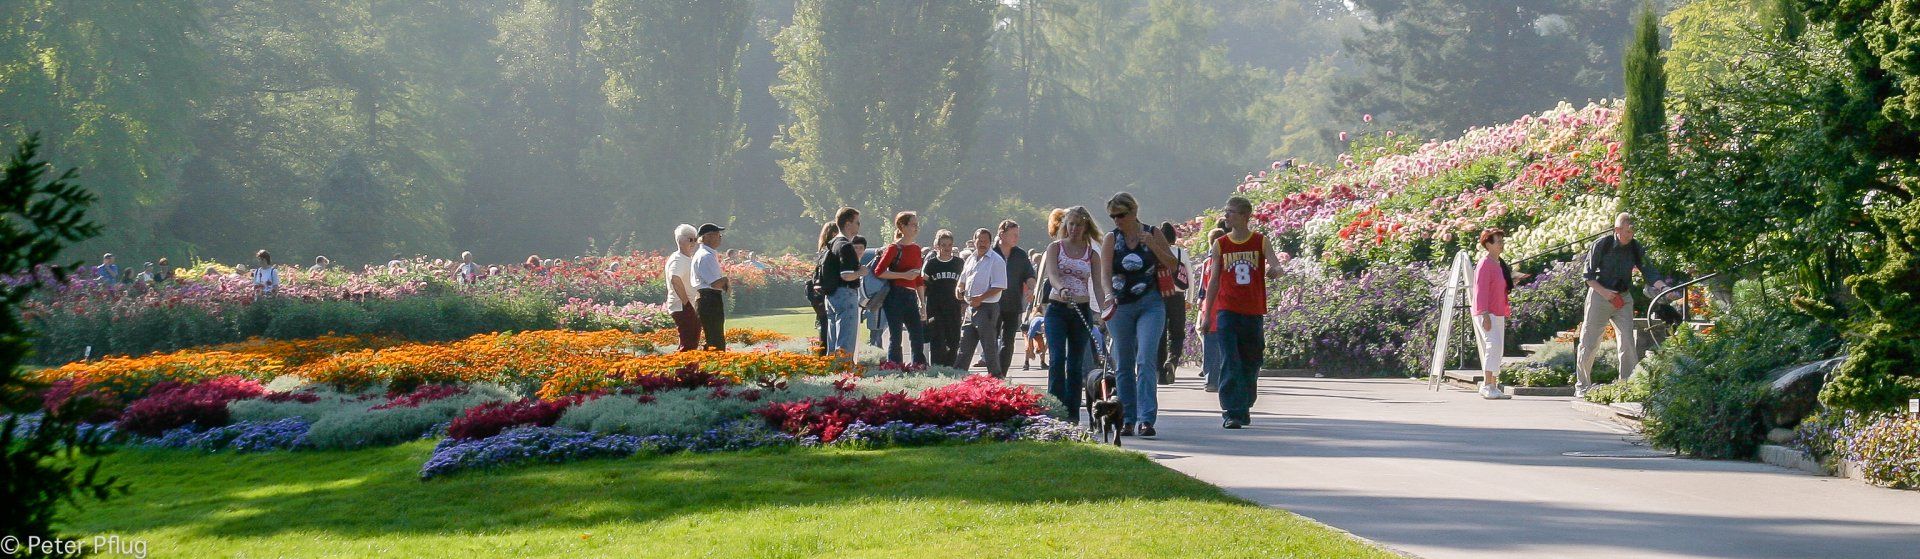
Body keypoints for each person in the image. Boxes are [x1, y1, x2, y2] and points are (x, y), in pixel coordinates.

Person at [1202, 197, 1282, 428]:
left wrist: (1275, 271)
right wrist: (1208, 314)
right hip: (1227, 311)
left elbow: (1276, 265)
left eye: (1232, 212)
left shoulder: (1260, 241)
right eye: (1226, 212)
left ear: (1245, 216)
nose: (1227, 216)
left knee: (1252, 360)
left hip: (1253, 311)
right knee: (1230, 361)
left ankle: (1244, 404)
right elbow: (1213, 281)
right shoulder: (1221, 245)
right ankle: (1231, 411)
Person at [1102, 192, 1177, 437]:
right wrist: (1108, 295)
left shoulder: (1153, 233)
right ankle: (1127, 418)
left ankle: (1147, 419)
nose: (1117, 220)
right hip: (1121, 304)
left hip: (1150, 303)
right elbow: (1104, 274)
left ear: (1134, 212)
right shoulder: (1111, 239)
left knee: (1145, 359)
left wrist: (1153, 246)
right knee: (1123, 363)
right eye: (1113, 216)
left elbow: (1173, 265)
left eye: (1121, 215)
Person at [1576, 212, 1665, 397]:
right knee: (1590, 342)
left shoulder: (1635, 247)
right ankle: (1582, 387)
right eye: (1627, 231)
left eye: (1632, 231)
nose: (1630, 234)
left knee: (1627, 341)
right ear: (1617, 230)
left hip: (1622, 298)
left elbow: (1649, 271)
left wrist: (1664, 287)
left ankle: (1626, 386)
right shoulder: (1602, 244)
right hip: (1600, 295)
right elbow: (1588, 277)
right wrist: (1605, 293)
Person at [1043, 207, 1107, 424]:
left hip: (1081, 310)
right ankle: (1054, 408)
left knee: (1075, 363)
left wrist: (1104, 310)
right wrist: (1061, 288)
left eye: (1079, 224)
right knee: (1057, 358)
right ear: (1064, 225)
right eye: (1070, 224)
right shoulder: (1055, 248)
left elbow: (1097, 286)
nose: (1074, 229)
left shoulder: (1092, 254)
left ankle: (1071, 414)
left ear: (1086, 227)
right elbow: (1052, 274)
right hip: (1057, 309)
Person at [875, 211, 929, 365]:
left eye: (917, 225)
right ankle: (894, 367)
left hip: (911, 296)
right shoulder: (894, 248)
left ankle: (919, 366)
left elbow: (918, 279)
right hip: (894, 295)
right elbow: (879, 272)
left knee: (917, 334)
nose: (916, 228)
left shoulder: (917, 249)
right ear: (902, 226)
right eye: (913, 225)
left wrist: (922, 304)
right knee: (896, 335)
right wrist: (904, 275)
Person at [954, 228, 1009, 378]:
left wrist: (981, 297)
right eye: (979, 240)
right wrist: (959, 290)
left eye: (985, 241)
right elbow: (962, 281)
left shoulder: (996, 260)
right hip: (970, 308)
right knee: (964, 347)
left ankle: (996, 381)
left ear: (990, 243)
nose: (982, 243)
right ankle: (957, 379)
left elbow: (1000, 285)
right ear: (974, 241)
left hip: (987, 308)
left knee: (989, 348)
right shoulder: (971, 259)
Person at [989, 220, 1038, 373]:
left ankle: (1001, 373)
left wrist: (1031, 289)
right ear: (1001, 234)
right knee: (990, 340)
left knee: (1008, 341)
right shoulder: (990, 254)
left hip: (1012, 304)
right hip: (992, 303)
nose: (1016, 238)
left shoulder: (1020, 255)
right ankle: (992, 372)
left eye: (1018, 235)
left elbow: (1029, 275)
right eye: (1013, 235)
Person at [1473, 227, 1515, 400]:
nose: (1501, 245)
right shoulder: (1485, 264)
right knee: (1493, 345)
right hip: (1487, 312)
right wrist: (1484, 314)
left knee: (1498, 348)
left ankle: (1494, 385)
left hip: (1498, 311)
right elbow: (1480, 290)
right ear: (1488, 244)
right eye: (1498, 242)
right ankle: (1487, 384)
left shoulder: (1499, 263)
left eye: (1502, 241)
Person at [820, 208, 866, 361]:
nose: (859, 225)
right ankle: (844, 373)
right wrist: (861, 272)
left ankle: (832, 370)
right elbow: (846, 275)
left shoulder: (832, 243)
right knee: (846, 339)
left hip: (832, 295)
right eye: (857, 222)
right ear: (848, 224)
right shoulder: (846, 246)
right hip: (845, 294)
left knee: (833, 339)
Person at [923, 229, 964, 367]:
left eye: (949, 245)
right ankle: (936, 368)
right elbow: (923, 285)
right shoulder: (931, 264)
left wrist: (964, 303)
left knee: (953, 339)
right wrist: (922, 304)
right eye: (943, 245)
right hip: (935, 308)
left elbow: (965, 284)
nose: (947, 248)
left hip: (954, 308)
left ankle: (951, 367)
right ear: (937, 246)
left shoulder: (959, 263)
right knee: (937, 339)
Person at [1197, 223, 1230, 392]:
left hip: (1209, 307)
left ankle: (1211, 380)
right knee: (1225, 347)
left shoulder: (1207, 263)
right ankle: (1223, 379)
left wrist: (1200, 302)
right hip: (1224, 306)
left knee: (1210, 347)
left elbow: (1203, 286)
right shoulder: (1228, 261)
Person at [1157, 221, 1191, 384]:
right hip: (1177, 296)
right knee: (1177, 334)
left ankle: (1160, 374)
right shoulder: (1180, 253)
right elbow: (1189, 276)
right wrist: (1189, 299)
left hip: (1159, 296)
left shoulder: (1156, 251)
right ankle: (1172, 360)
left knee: (1160, 335)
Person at [691, 223, 730, 351]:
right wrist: (725, 281)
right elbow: (715, 283)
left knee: (713, 336)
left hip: (707, 298)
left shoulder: (706, 254)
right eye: (718, 235)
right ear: (708, 237)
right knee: (715, 339)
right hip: (709, 299)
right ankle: (716, 366)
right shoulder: (706, 256)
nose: (720, 238)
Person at [666, 224, 703, 352]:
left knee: (691, 341)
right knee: (689, 344)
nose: (694, 243)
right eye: (690, 239)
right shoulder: (678, 259)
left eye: (695, 239)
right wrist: (687, 303)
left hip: (688, 305)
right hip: (683, 306)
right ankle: (685, 369)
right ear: (680, 240)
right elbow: (675, 280)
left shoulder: (686, 258)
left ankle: (687, 368)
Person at [808, 222, 840, 356]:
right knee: (827, 325)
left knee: (823, 324)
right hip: (825, 293)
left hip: (817, 293)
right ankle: (825, 355)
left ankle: (822, 354)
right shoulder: (831, 251)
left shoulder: (822, 251)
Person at [858, 238, 886, 349]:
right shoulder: (878, 265)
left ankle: (874, 349)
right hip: (877, 301)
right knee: (877, 333)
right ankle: (877, 353)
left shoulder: (870, 264)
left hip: (871, 301)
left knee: (875, 332)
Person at [1024, 303, 1048, 370]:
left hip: (1038, 332)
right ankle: (1026, 363)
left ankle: (1042, 363)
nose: (1045, 332)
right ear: (1041, 327)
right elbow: (1029, 338)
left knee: (1041, 347)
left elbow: (1048, 341)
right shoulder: (1035, 325)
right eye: (1043, 329)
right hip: (1027, 330)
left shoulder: (1048, 326)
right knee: (1027, 347)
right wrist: (1031, 352)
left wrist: (1044, 351)